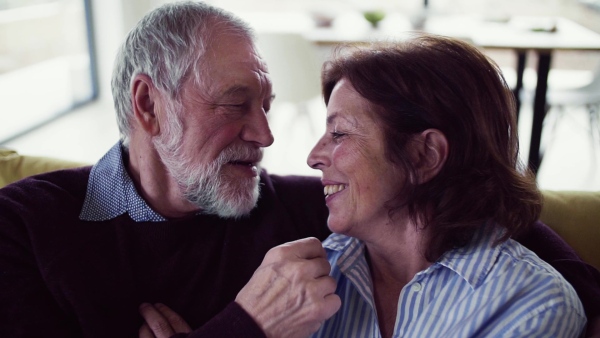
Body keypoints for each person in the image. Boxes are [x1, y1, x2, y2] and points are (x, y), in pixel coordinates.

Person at [0, 2, 597, 338]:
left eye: (267, 106)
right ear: (149, 105)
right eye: (237, 104)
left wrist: (577, 301)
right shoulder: (22, 228)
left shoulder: (301, 214)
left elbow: (465, 213)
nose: (267, 135)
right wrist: (245, 328)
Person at [305, 35, 589, 337]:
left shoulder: (532, 308)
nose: (313, 158)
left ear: (424, 155)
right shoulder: (307, 280)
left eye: (339, 133)